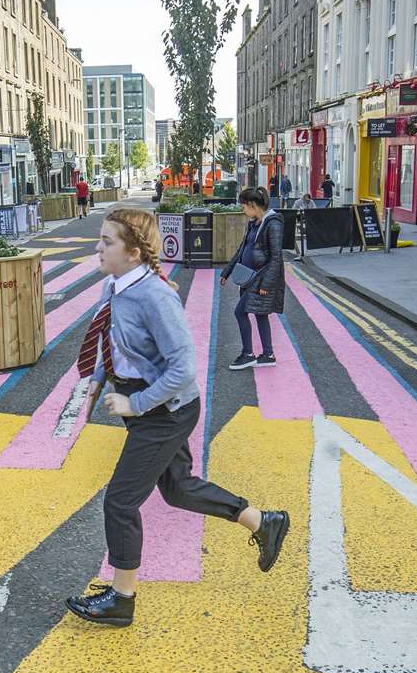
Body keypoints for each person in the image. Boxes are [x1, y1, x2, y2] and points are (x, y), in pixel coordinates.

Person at [65, 207, 290, 627]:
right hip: (148, 405)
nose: (98, 247)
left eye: (107, 241)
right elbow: (110, 338)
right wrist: (97, 381)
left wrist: (135, 404)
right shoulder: (115, 286)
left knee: (120, 500)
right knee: (179, 489)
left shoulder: (154, 296)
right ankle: (264, 522)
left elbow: (183, 368)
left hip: (164, 411)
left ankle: (122, 599)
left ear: (133, 252)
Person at [220, 187, 285, 370]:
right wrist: (227, 270)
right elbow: (243, 248)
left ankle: (248, 354)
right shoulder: (254, 222)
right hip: (248, 277)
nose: (243, 210)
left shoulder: (273, 223)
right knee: (260, 313)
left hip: (261, 277)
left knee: (240, 312)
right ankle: (268, 354)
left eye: (243, 206)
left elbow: (276, 257)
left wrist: (266, 283)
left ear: (252, 205)